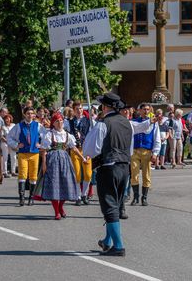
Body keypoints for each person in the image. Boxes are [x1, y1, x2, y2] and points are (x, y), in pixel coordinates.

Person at [83, 92, 155, 257]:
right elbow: (142, 128)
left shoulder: (103, 124)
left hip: (108, 167)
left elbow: (90, 150)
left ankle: (118, 246)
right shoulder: (127, 123)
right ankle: (108, 241)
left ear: (105, 106)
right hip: (124, 167)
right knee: (114, 204)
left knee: (109, 206)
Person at [40, 112, 81, 220]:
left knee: (67, 184)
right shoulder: (49, 135)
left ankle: (60, 206)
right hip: (52, 161)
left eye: (61, 121)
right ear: (53, 123)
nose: (60, 123)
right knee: (54, 185)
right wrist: (44, 164)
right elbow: (43, 150)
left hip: (65, 162)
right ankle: (56, 211)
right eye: (57, 121)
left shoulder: (67, 135)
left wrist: (83, 158)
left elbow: (74, 148)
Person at [7, 106, 42, 206]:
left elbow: (46, 136)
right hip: (23, 153)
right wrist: (16, 145)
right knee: (22, 174)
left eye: (32, 113)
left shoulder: (37, 125)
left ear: (34, 115)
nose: (30, 115)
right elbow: (9, 136)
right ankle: (22, 198)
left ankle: (31, 198)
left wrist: (41, 144)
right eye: (28, 113)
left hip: (34, 153)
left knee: (33, 176)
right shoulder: (19, 126)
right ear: (24, 114)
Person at [131, 103, 161, 206]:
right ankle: (135, 197)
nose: (146, 111)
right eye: (144, 109)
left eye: (148, 109)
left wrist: (155, 153)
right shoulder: (133, 122)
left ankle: (144, 198)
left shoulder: (154, 123)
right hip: (134, 151)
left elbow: (157, 138)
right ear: (139, 111)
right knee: (134, 174)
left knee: (146, 175)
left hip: (147, 151)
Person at [65, 101, 92, 206]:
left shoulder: (89, 121)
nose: (79, 111)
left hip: (86, 149)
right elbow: (65, 135)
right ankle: (78, 196)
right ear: (73, 111)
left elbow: (92, 135)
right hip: (75, 149)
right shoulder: (69, 122)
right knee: (77, 174)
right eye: (77, 109)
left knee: (88, 174)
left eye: (80, 108)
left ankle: (84, 194)